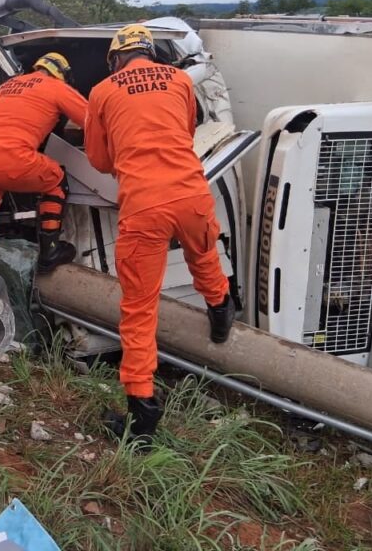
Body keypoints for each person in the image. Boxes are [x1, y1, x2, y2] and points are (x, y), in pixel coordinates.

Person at [84, 24, 235, 444]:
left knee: (139, 309)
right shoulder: (179, 80)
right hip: (191, 194)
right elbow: (185, 132)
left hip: (144, 205)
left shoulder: (102, 91)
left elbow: (97, 158)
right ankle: (221, 313)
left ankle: (143, 417)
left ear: (115, 59)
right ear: (151, 54)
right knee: (203, 256)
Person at [0, 51, 87, 272]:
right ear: (60, 74)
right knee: (55, 179)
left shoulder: (6, 86)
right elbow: (93, 120)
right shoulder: (56, 87)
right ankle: (50, 250)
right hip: (15, 158)